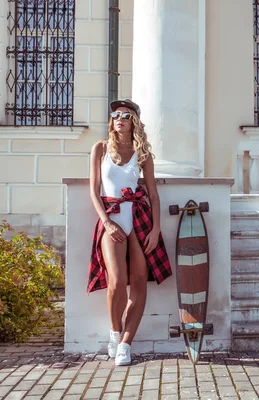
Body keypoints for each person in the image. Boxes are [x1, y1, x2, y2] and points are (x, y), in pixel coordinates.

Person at [87, 99, 172, 366]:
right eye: (115, 115)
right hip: (112, 218)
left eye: (125, 115)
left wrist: (156, 230)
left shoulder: (142, 154)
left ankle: (125, 343)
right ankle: (114, 332)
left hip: (139, 219)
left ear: (134, 120)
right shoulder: (100, 149)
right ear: (111, 120)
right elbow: (94, 191)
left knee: (138, 281)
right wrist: (107, 222)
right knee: (116, 279)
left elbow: (154, 196)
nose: (120, 118)